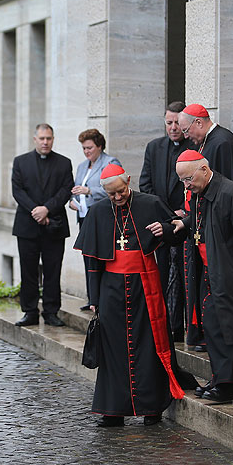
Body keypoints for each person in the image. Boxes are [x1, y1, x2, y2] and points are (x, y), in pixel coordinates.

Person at [74, 164, 196, 427]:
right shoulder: (97, 212)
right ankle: (113, 409)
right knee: (113, 348)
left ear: (128, 181)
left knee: (149, 344)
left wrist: (163, 230)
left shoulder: (150, 203)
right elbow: (93, 261)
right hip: (110, 289)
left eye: (120, 192)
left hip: (145, 285)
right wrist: (94, 298)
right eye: (111, 195)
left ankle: (151, 407)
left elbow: (178, 233)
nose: (117, 198)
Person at [172, 150, 233, 403]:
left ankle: (226, 386)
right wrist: (185, 223)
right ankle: (218, 377)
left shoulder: (231, 193)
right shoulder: (200, 194)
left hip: (230, 273)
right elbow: (205, 221)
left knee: (230, 329)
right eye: (183, 181)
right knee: (213, 327)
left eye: (188, 179)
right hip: (209, 272)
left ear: (203, 169)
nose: (187, 185)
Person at [177, 103, 233, 351]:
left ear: (199, 122)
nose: (186, 135)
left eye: (187, 129)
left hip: (221, 236)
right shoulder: (205, 142)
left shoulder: (222, 143)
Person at [139, 101, 192, 342]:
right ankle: (167, 326)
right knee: (162, 275)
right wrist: (165, 214)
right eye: (168, 123)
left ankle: (185, 327)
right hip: (162, 223)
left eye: (177, 123)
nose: (173, 128)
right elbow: (145, 185)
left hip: (185, 223)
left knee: (184, 276)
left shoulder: (193, 146)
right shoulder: (154, 147)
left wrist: (183, 212)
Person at [12, 123, 74, 327]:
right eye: (42, 138)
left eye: (49, 138)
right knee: (28, 270)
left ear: (53, 139)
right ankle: (29, 311)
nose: (45, 142)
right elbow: (18, 191)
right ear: (35, 139)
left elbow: (66, 190)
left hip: (54, 224)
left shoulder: (64, 163)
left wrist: (46, 209)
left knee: (53, 270)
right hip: (27, 226)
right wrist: (37, 211)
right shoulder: (20, 162)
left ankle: (51, 311)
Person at [69, 128, 121, 311]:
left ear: (99, 146)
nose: (86, 152)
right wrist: (73, 202)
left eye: (89, 148)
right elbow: (75, 190)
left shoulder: (110, 162)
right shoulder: (83, 166)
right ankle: (91, 298)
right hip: (84, 218)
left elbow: (114, 189)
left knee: (100, 259)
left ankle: (101, 299)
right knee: (88, 258)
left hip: (102, 220)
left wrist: (89, 191)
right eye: (84, 148)